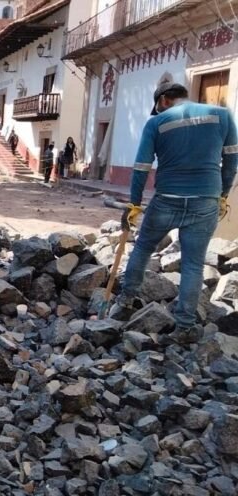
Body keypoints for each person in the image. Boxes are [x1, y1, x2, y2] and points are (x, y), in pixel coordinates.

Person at [110, 82, 238, 339]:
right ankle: (184, 326)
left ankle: (124, 302)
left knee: (144, 248)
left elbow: (141, 167)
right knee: (193, 264)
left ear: (165, 100)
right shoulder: (223, 116)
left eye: (157, 106)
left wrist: (134, 203)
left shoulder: (156, 123)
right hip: (205, 201)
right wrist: (222, 195)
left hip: (167, 199)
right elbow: (232, 161)